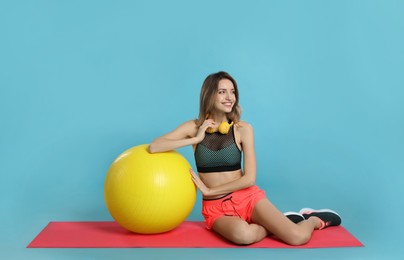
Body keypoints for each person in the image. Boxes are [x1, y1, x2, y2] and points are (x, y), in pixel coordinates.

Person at [148, 71, 341, 245]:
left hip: (247, 197)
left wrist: (209, 189)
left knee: (298, 238)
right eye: (222, 91)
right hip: (216, 207)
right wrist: (197, 138)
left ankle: (313, 219)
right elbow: (155, 146)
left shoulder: (243, 129)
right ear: (209, 95)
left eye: (232, 91)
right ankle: (279, 223)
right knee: (243, 236)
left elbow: (249, 178)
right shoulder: (193, 127)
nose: (229, 97)